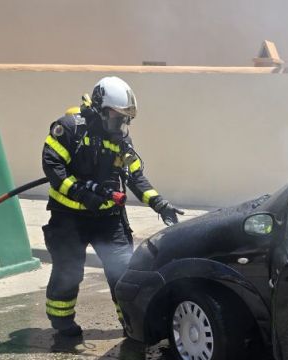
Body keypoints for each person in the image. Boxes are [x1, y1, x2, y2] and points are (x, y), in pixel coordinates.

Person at [41, 76, 183, 337]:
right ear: (100, 109)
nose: (121, 125)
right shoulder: (69, 128)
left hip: (108, 219)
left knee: (123, 272)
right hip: (68, 218)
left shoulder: (121, 142)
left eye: (125, 120)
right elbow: (53, 167)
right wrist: (82, 194)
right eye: (118, 118)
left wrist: (159, 204)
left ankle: (131, 324)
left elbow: (136, 178)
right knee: (68, 271)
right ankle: (62, 323)